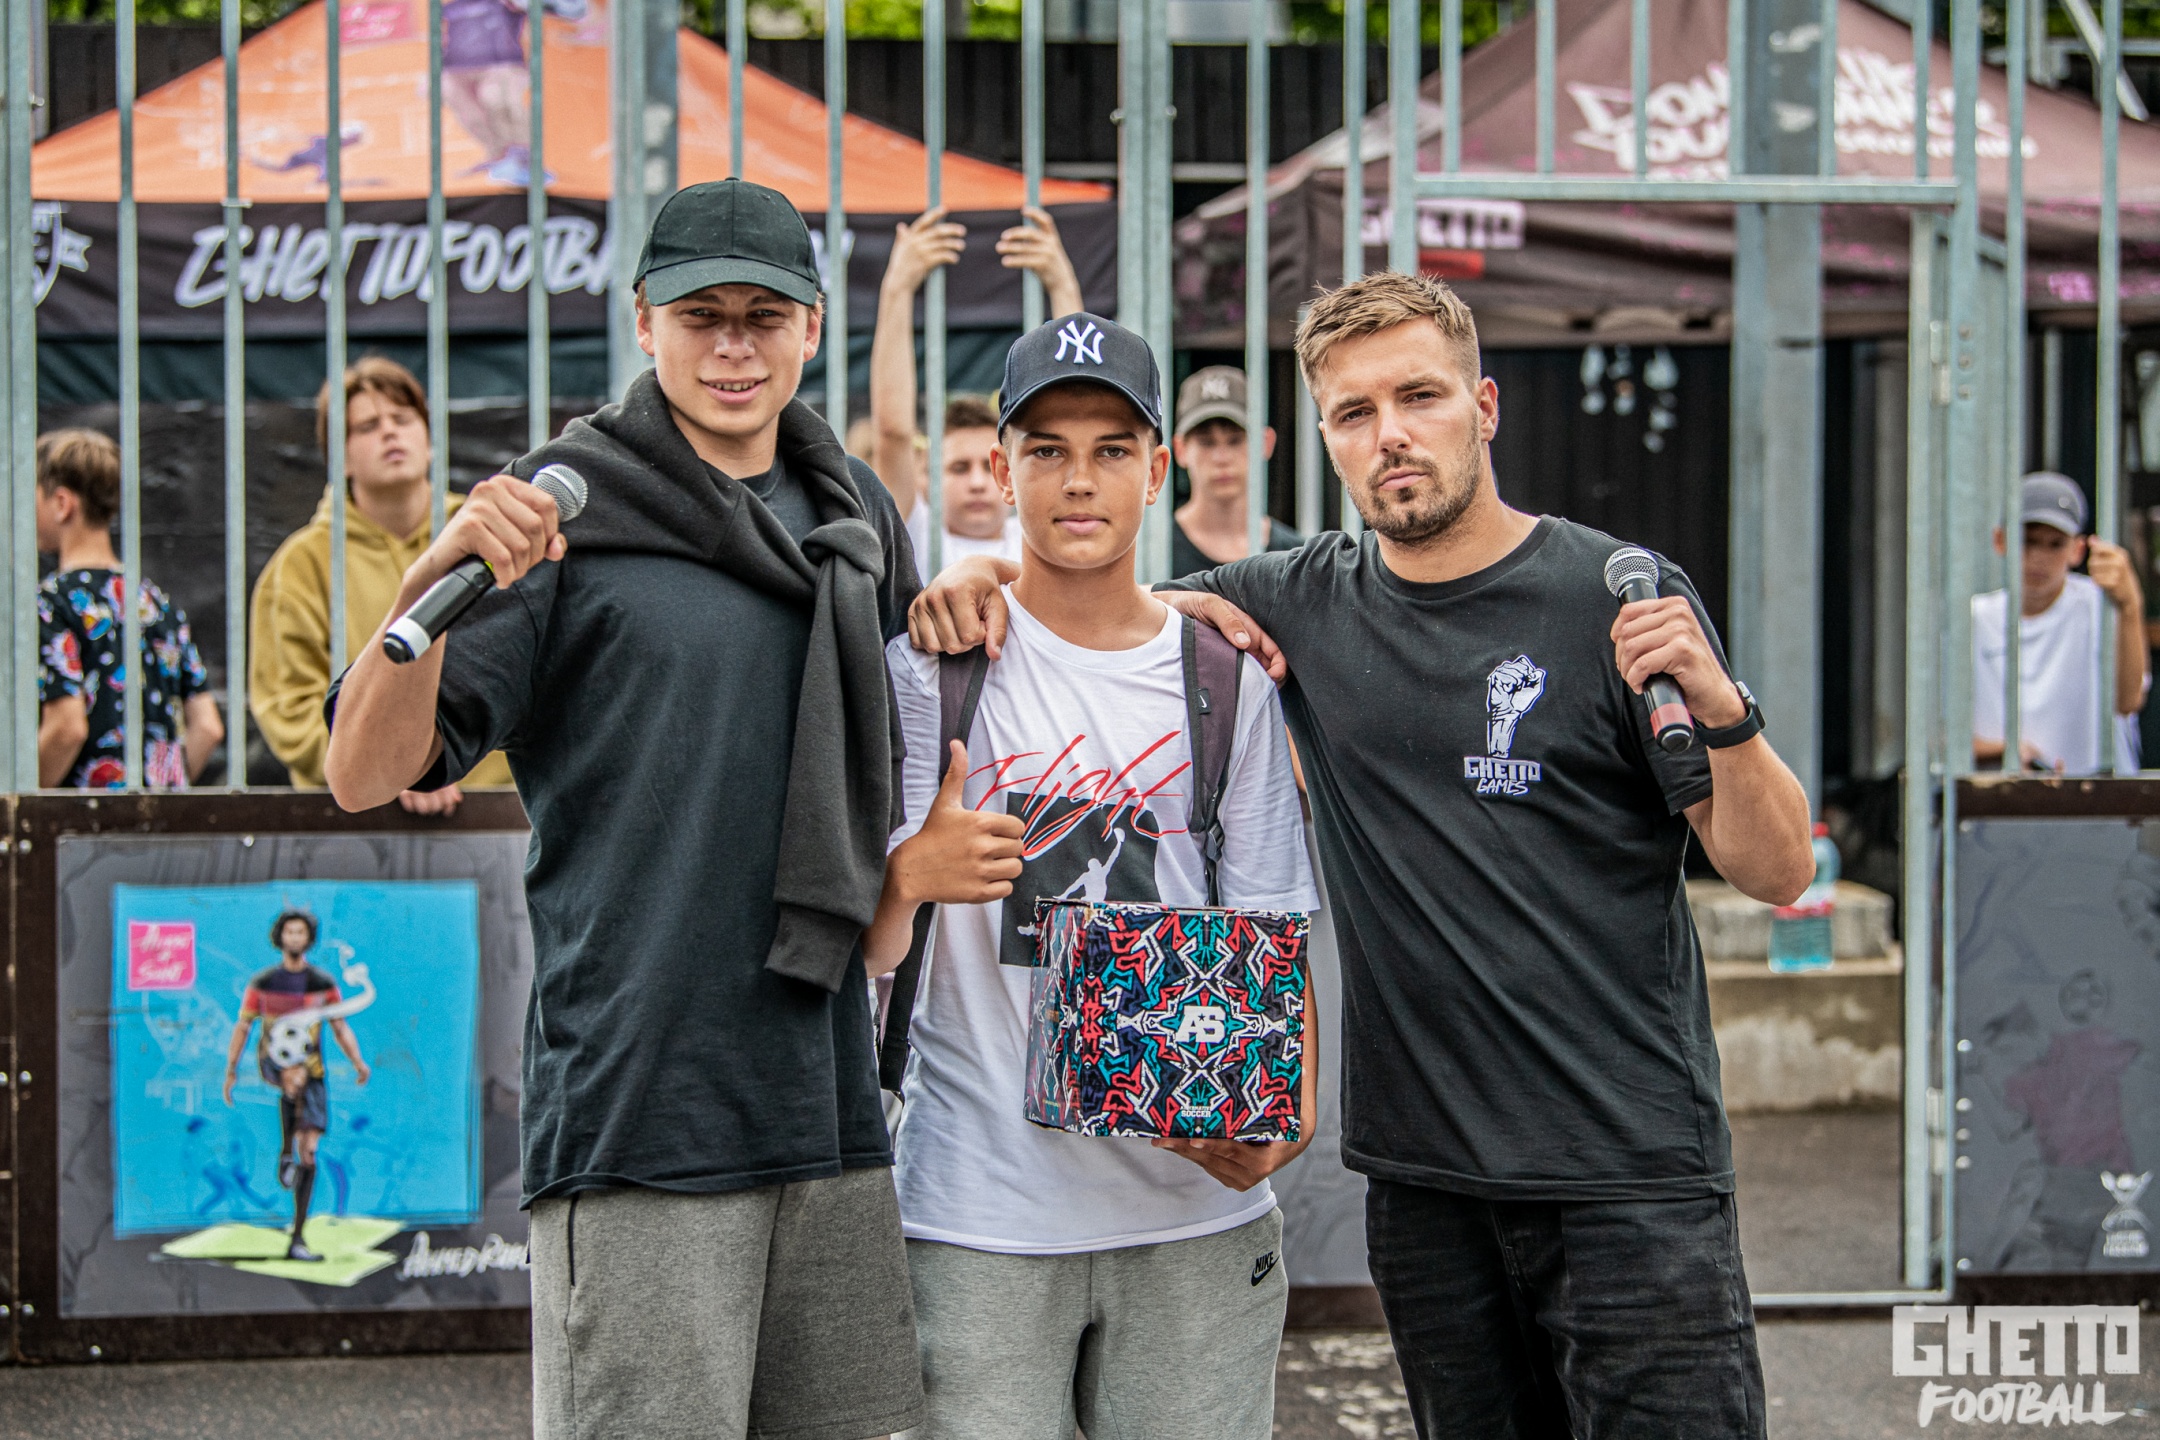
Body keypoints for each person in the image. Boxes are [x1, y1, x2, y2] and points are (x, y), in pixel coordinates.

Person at [908, 270, 1816, 1439]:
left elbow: (1777, 872)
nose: (1390, 434)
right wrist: (975, 577)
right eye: (1354, 411)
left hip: (1627, 1175)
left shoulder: (1612, 594)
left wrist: (1727, 713)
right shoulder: (1300, 601)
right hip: (1427, 1189)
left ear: (1484, 406)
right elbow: (1097, 589)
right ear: (1327, 439)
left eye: (1418, 397)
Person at [321, 179, 925, 1440]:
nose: (733, 346)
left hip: (831, 1104)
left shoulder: (855, 513)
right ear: (644, 321)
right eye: (701, 315)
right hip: (643, 1109)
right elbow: (364, 771)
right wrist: (434, 573)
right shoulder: (560, 508)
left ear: (813, 328)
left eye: (764, 316)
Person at [865, 314, 1320, 1437]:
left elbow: (1274, 926)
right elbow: (859, 944)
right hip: (974, 1211)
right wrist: (910, 875)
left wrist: (1291, 1109)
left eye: (1113, 449)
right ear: (1001, 469)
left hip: (1192, 1212)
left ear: (1159, 470)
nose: (1080, 479)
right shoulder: (928, 671)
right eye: (1048, 449)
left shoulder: (1225, 677)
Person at [250, 356, 512, 811]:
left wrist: (441, 768)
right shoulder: (300, 565)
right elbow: (288, 711)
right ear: (339, 458)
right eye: (367, 426)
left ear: (429, 441)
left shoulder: (489, 534)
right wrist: (389, 770)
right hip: (358, 824)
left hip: (500, 812)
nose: (390, 433)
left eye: (403, 419)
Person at [870, 203, 1085, 580]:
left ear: (1010, 472)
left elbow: (1077, 425)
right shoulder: (914, 535)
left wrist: (1062, 285)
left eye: (988, 467)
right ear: (925, 478)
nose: (976, 483)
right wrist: (897, 288)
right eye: (958, 468)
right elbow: (893, 432)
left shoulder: (1037, 535)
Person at [34, 427, 221, 789]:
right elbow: (208, 727)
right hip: (158, 819)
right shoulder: (155, 603)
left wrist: (23, 797)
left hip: (81, 820)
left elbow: (67, 728)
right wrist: (163, 790)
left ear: (62, 503)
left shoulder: (50, 603)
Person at [221, 909, 371, 1262]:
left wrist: (357, 1061)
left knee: (311, 1152)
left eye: (300, 932)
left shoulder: (321, 983)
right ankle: (285, 1151)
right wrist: (231, 1069)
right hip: (275, 1062)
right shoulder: (263, 983)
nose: (294, 938)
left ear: (308, 939)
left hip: (313, 1071)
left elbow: (339, 1026)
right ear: (280, 937)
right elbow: (243, 1026)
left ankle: (298, 1237)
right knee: (294, 1074)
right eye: (289, 932)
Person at [1973, 471, 2146, 775]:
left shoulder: (2100, 607)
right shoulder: (1975, 619)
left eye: (2055, 544)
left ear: (2077, 550)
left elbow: (2129, 699)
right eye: (2027, 541)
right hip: (2005, 796)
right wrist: (2006, 750)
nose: (2039, 557)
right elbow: (1937, 734)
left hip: (2098, 792)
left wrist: (2130, 606)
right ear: (2000, 540)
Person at [1170, 365, 1304, 579]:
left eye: (1235, 440)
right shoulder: (1149, 553)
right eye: (1206, 442)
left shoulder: (1297, 557)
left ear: (1265, 443)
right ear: (1180, 449)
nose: (1221, 458)